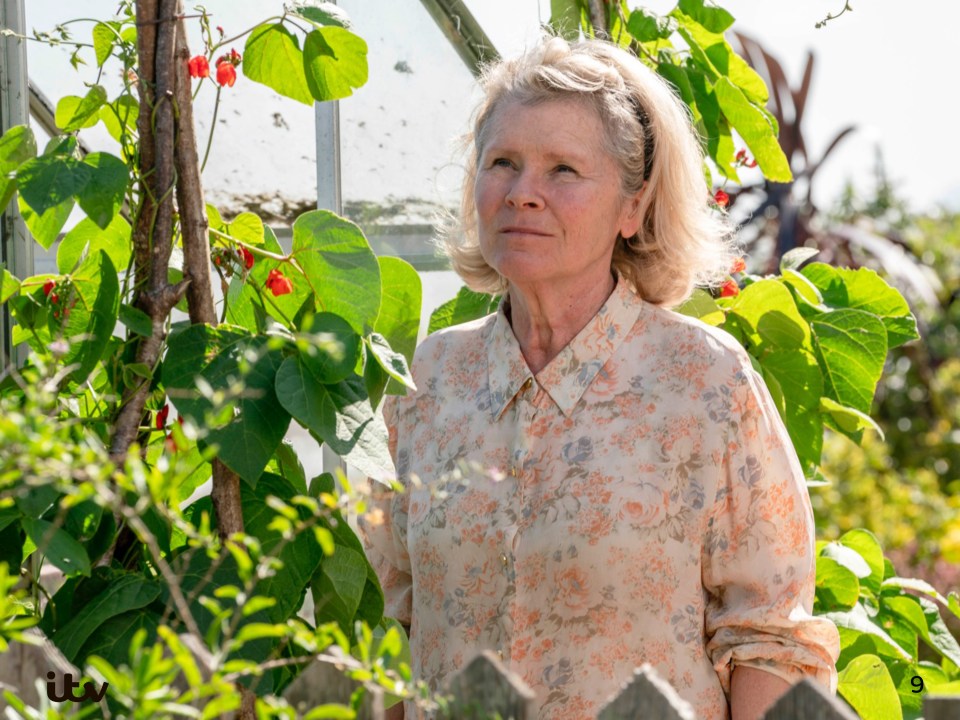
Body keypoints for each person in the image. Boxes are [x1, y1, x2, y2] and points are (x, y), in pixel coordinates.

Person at [359, 35, 840, 720]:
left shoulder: (705, 383)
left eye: (562, 170)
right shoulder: (429, 381)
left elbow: (770, 640)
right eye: (503, 163)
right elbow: (387, 618)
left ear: (633, 207)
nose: (523, 194)